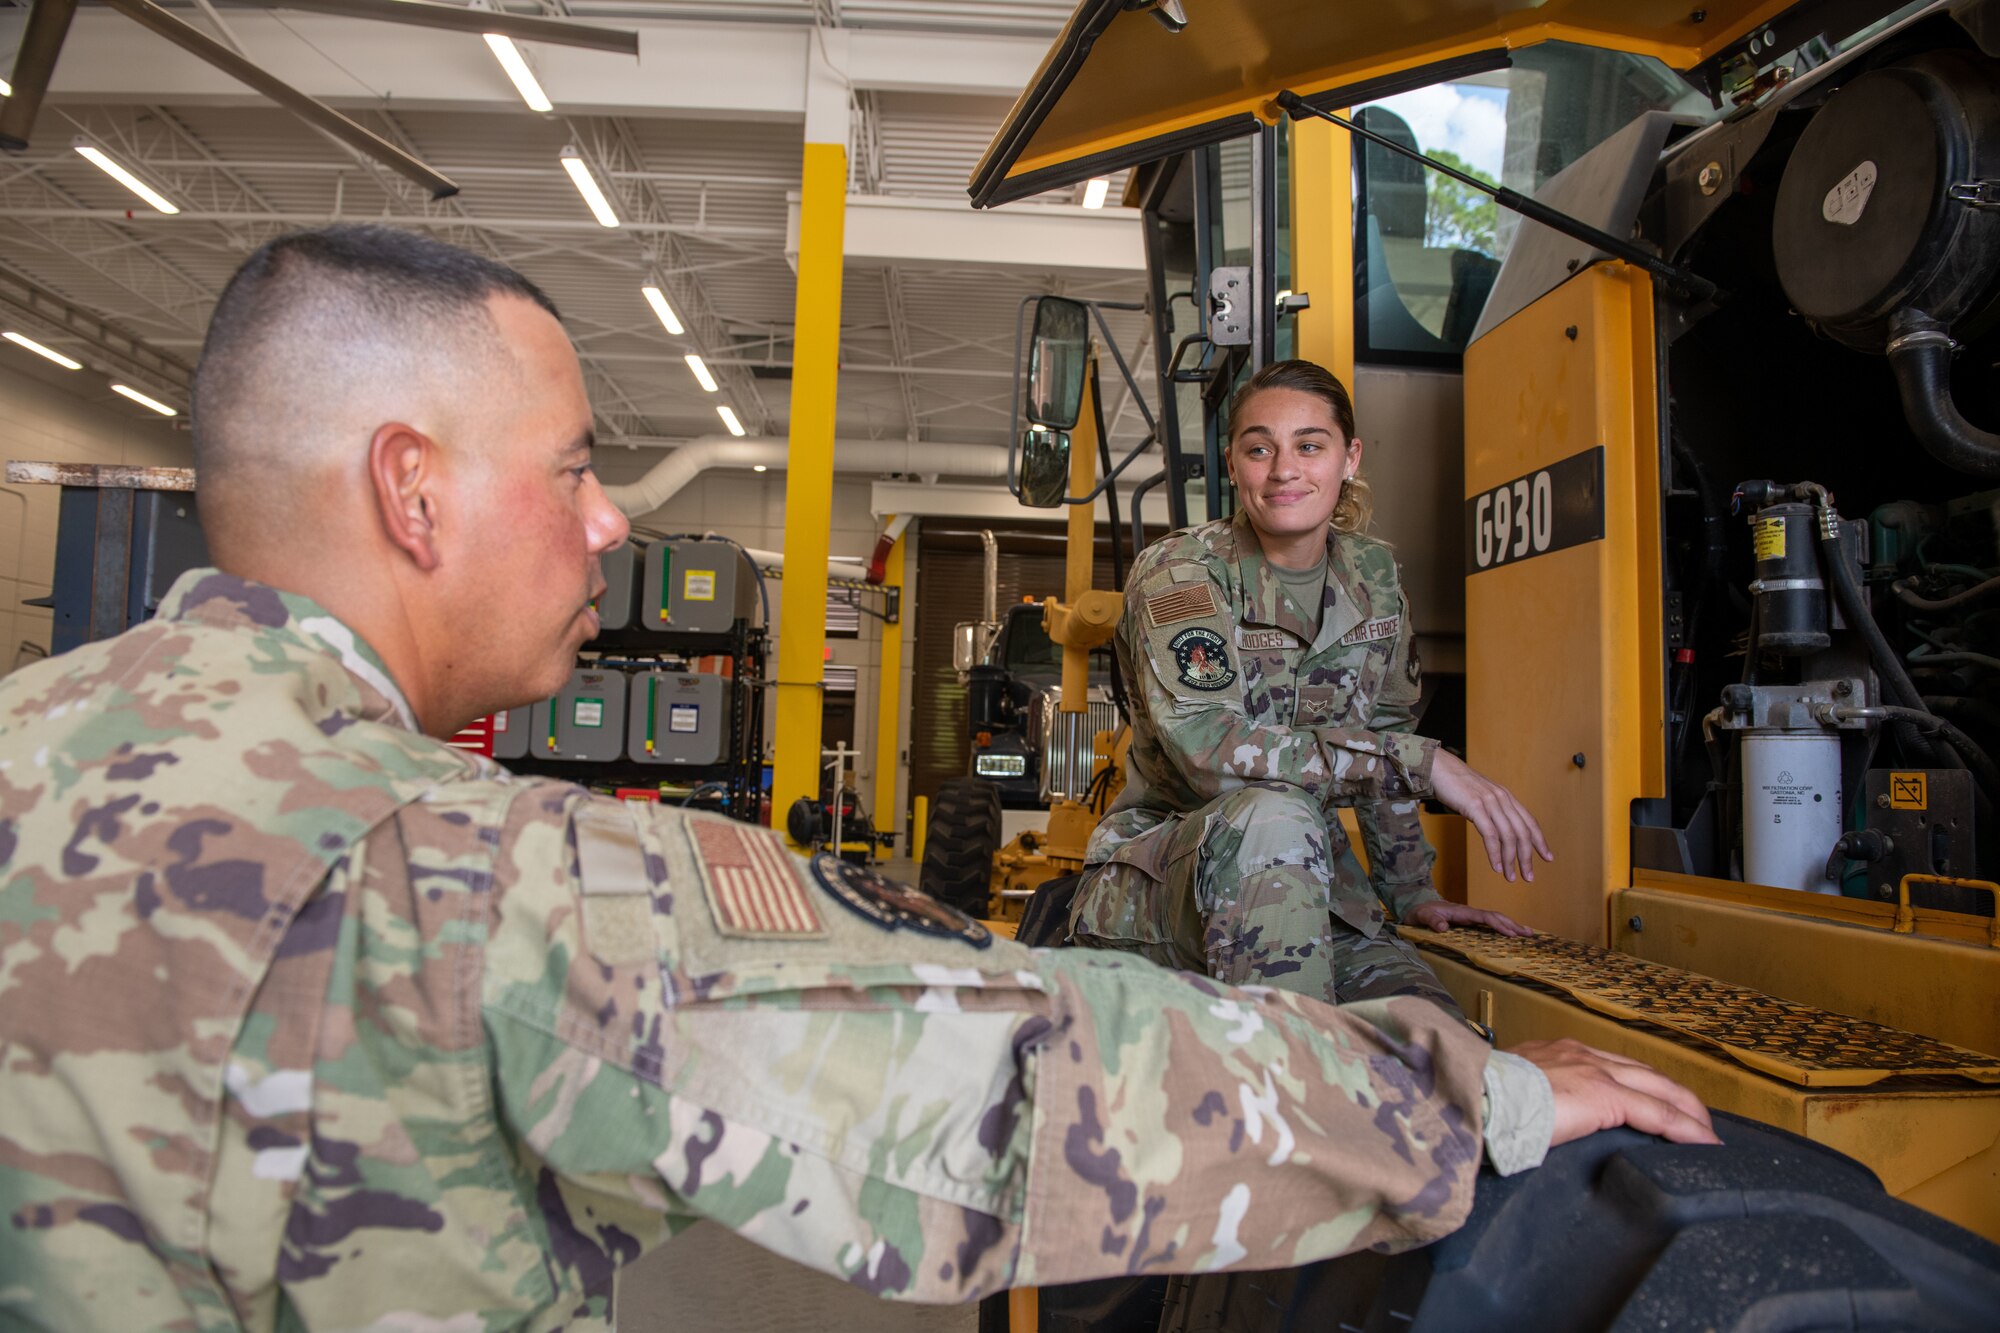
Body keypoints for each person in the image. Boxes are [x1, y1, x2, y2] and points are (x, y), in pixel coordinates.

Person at [0, 228, 1713, 1332]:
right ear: (412, 491)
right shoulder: (493, 880)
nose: (611, 519)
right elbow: (1019, 1084)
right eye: (579, 467)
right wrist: (1470, 1094)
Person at [1071, 359, 1549, 1016]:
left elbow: (1384, 732)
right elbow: (1211, 752)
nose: (1284, 469)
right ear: (1234, 465)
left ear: (1349, 457)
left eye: (1309, 445)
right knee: (1276, 813)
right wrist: (1423, 765)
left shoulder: (1374, 575)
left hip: (1314, 883)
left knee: (1436, 1047)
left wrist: (1412, 893)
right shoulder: (1181, 572)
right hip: (1166, 884)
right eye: (1259, 447)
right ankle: (1291, 1095)